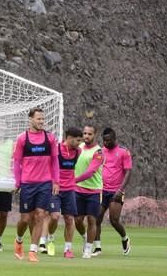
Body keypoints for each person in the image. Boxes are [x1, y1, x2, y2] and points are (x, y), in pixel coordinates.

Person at [12, 108, 59, 263]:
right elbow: (17, 162)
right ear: (30, 119)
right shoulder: (22, 139)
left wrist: (56, 181)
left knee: (40, 215)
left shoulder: (50, 138)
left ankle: (33, 251)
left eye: (42, 119)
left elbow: (55, 161)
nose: (41, 121)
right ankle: (18, 240)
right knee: (25, 219)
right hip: (27, 184)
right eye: (38, 119)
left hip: (44, 184)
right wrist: (18, 181)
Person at [93, 127, 132, 256]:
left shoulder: (123, 152)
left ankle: (125, 238)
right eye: (104, 140)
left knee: (113, 220)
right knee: (96, 218)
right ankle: (97, 247)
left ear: (114, 139)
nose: (106, 143)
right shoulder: (101, 152)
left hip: (116, 191)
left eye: (108, 140)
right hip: (102, 190)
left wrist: (121, 190)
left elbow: (128, 172)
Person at [47, 127, 83, 258]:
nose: (79, 143)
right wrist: (52, 182)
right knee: (55, 216)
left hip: (69, 190)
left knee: (69, 219)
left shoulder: (78, 152)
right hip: (55, 189)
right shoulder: (56, 148)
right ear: (69, 138)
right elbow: (49, 166)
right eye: (78, 140)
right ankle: (50, 239)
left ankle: (68, 249)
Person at [74, 125, 103, 259]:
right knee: (78, 220)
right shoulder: (78, 148)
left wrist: (75, 180)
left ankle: (88, 249)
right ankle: (85, 237)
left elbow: (91, 171)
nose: (86, 136)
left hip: (93, 190)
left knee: (92, 220)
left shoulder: (98, 152)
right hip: (78, 190)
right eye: (84, 133)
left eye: (89, 134)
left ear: (95, 135)